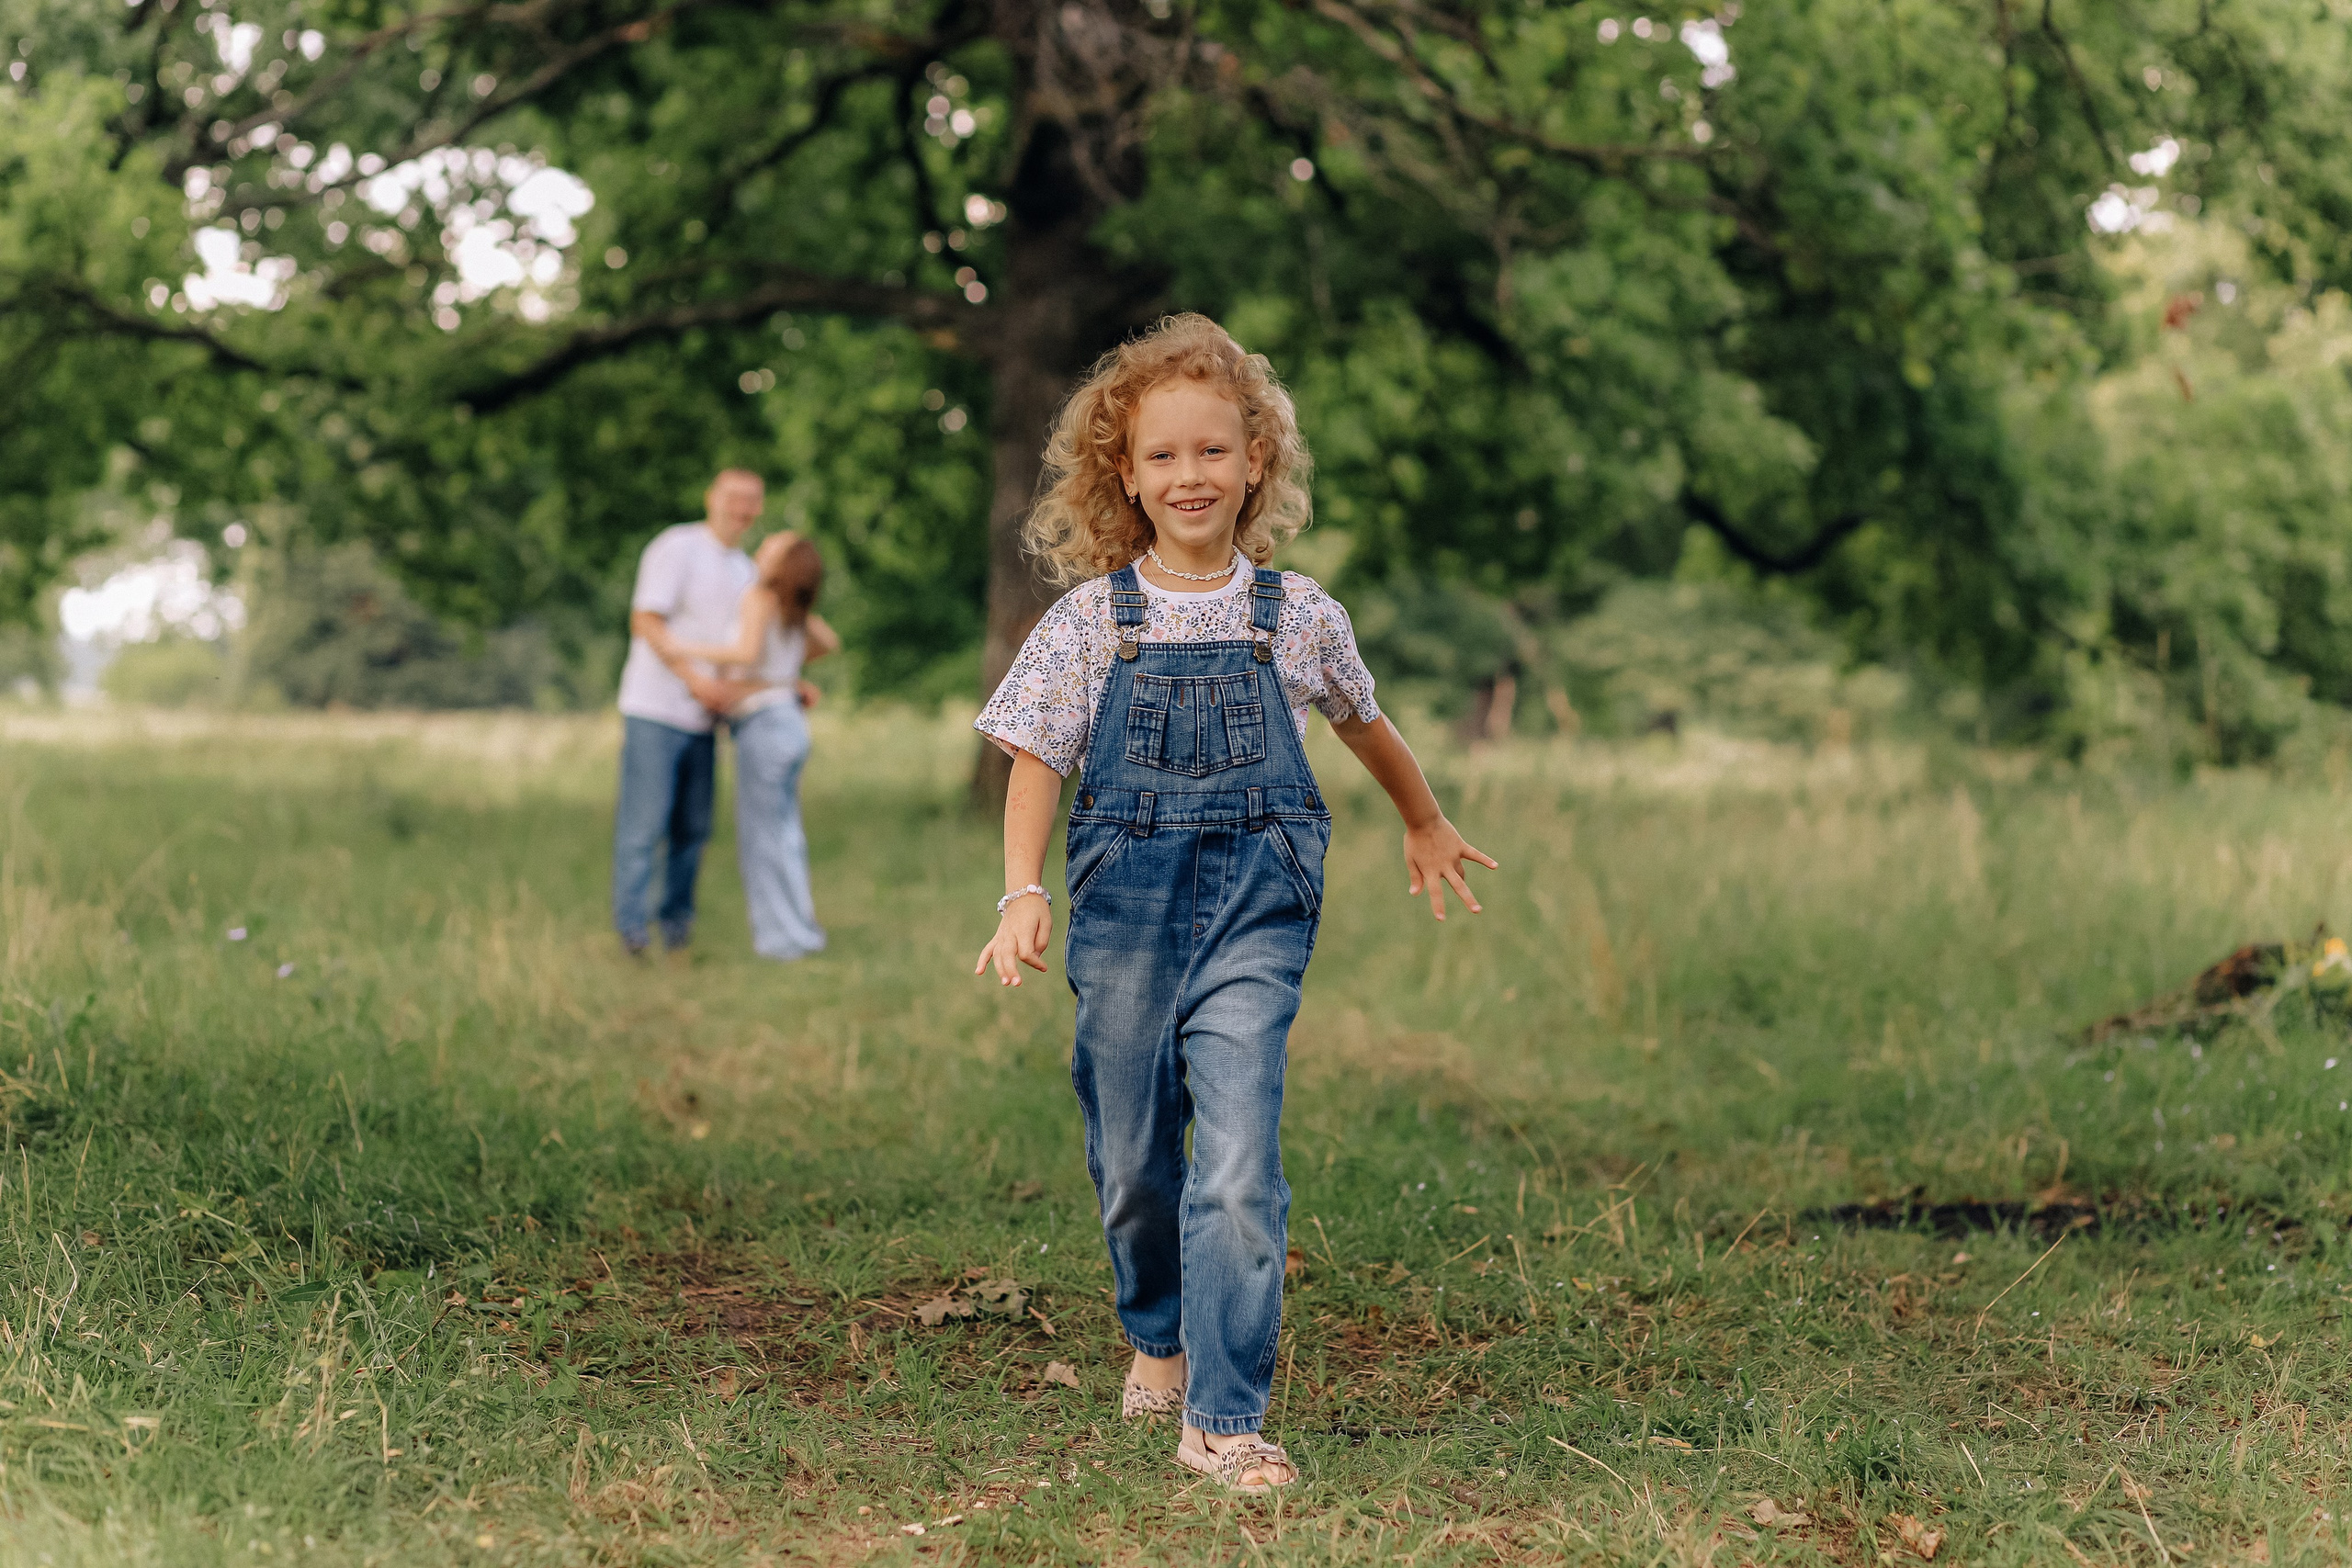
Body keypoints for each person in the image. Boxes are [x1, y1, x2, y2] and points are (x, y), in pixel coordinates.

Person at [970, 314, 1498, 1495]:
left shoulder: (1297, 615)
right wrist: (1020, 889)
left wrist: (1422, 817)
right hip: (1123, 917)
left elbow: (1363, 722)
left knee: (1238, 1165)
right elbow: (1036, 759)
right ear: (1126, 474)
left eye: (1212, 451)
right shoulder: (1091, 619)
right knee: (1134, 1157)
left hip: (1258, 912)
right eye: (1162, 457)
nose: (1188, 476)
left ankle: (1220, 1417)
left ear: (1255, 460)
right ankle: (1154, 1333)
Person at [646, 532, 837, 962]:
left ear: (782, 564)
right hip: (789, 722)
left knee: (763, 838)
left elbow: (744, 652)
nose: (761, 549)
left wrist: (682, 646)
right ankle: (801, 932)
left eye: (772, 548)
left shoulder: (758, 597)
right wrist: (785, 678)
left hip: (764, 727)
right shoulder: (791, 606)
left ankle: (780, 943)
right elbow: (828, 644)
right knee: (786, 834)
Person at [612, 468, 764, 957]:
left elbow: (743, 651)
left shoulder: (746, 570)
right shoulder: (675, 547)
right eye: (733, 498)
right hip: (655, 711)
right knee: (644, 824)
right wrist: (694, 680)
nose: (741, 509)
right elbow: (645, 622)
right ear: (711, 499)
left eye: (750, 501)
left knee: (692, 830)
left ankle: (676, 926)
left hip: (705, 721)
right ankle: (632, 930)